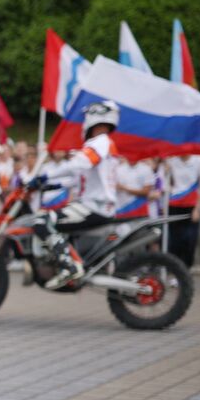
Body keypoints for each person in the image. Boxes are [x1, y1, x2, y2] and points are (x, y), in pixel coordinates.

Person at [31, 100, 121, 288]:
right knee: (57, 222)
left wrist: (44, 175)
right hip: (95, 205)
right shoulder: (103, 144)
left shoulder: (100, 142)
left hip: (94, 206)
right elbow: (78, 177)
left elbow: (78, 164)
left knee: (42, 221)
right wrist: (49, 184)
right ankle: (67, 263)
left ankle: (70, 268)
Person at [164, 154, 200, 268]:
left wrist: (198, 208)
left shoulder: (199, 160)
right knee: (174, 241)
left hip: (191, 204)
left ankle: (186, 268)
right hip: (175, 204)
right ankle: (175, 271)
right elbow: (166, 183)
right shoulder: (171, 159)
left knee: (190, 239)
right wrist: (165, 172)